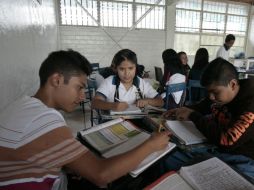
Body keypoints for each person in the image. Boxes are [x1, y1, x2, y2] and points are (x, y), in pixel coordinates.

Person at [0, 50, 170, 189]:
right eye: (79, 87)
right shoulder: (45, 118)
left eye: (131, 68)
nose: (82, 97)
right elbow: (101, 175)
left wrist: (66, 164)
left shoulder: (23, 105)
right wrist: (151, 145)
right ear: (57, 80)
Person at [163, 57, 254, 181]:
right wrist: (183, 110)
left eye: (215, 92)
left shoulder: (250, 104)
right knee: (168, 157)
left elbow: (227, 140)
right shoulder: (219, 96)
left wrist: (193, 116)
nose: (211, 97)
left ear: (232, 84)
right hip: (215, 148)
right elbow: (202, 106)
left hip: (243, 158)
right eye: (208, 92)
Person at [91, 49, 164, 111]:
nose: (126, 73)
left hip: (136, 121)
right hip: (113, 121)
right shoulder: (109, 82)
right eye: (122, 69)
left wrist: (147, 101)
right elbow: (95, 103)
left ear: (135, 67)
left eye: (130, 68)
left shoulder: (141, 83)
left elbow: (160, 101)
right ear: (116, 69)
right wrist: (113, 106)